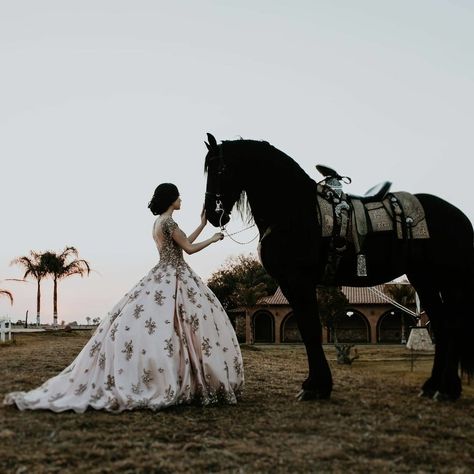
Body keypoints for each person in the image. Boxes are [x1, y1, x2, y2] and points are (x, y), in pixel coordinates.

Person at [4, 183, 244, 413]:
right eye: (179, 196)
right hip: (176, 275)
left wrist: (202, 224)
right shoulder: (169, 222)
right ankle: (181, 377)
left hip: (163, 273)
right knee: (182, 327)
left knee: (173, 329)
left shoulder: (159, 222)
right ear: (171, 198)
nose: (181, 199)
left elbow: (184, 242)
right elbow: (189, 250)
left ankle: (178, 375)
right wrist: (213, 239)